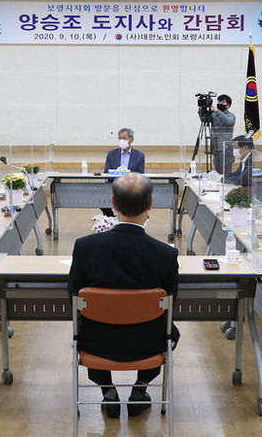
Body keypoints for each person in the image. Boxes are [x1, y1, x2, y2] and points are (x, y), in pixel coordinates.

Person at [68, 173, 179, 418]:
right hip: (148, 344)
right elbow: (171, 304)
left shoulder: (85, 247)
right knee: (171, 330)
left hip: (96, 342)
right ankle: (140, 389)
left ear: (113, 204)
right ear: (150, 204)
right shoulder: (166, 255)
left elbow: (73, 296)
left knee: (83, 325)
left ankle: (108, 391)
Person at [101, 128, 145, 217]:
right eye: (120, 138)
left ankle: (130, 217)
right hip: (114, 184)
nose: (121, 141)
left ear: (131, 140)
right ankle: (111, 218)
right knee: (101, 196)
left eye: (124, 138)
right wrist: (116, 173)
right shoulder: (111, 154)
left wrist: (128, 175)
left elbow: (140, 173)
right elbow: (106, 172)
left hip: (131, 186)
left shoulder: (139, 155)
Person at [208, 94, 236, 174]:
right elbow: (204, 119)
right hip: (215, 148)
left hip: (226, 149)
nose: (220, 103)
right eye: (219, 102)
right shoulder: (214, 115)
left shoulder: (231, 116)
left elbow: (228, 121)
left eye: (223, 102)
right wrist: (201, 110)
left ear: (228, 105)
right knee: (217, 173)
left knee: (226, 174)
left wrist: (217, 111)